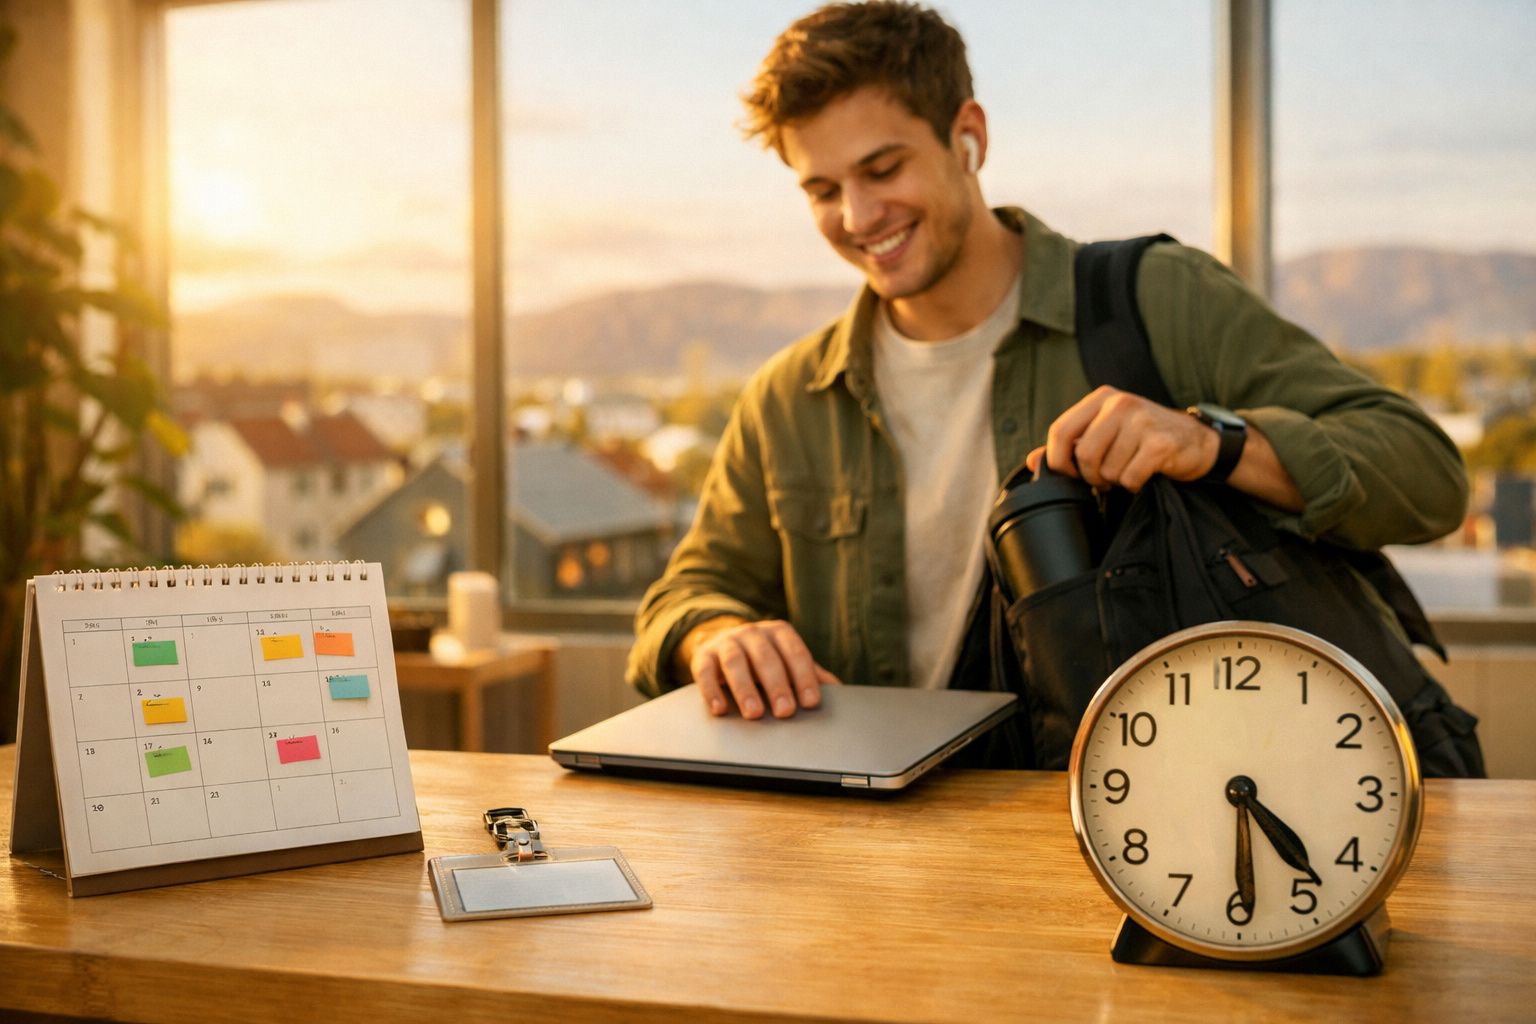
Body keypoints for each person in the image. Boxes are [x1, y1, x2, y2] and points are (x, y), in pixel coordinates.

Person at [625, 0, 1467, 763]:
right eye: (822, 189)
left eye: (883, 170)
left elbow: (1426, 475)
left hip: (1180, 828)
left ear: (969, 136)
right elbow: (688, 591)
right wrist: (716, 635)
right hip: (889, 861)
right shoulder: (788, 398)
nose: (856, 217)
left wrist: (1210, 442)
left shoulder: (1158, 299)